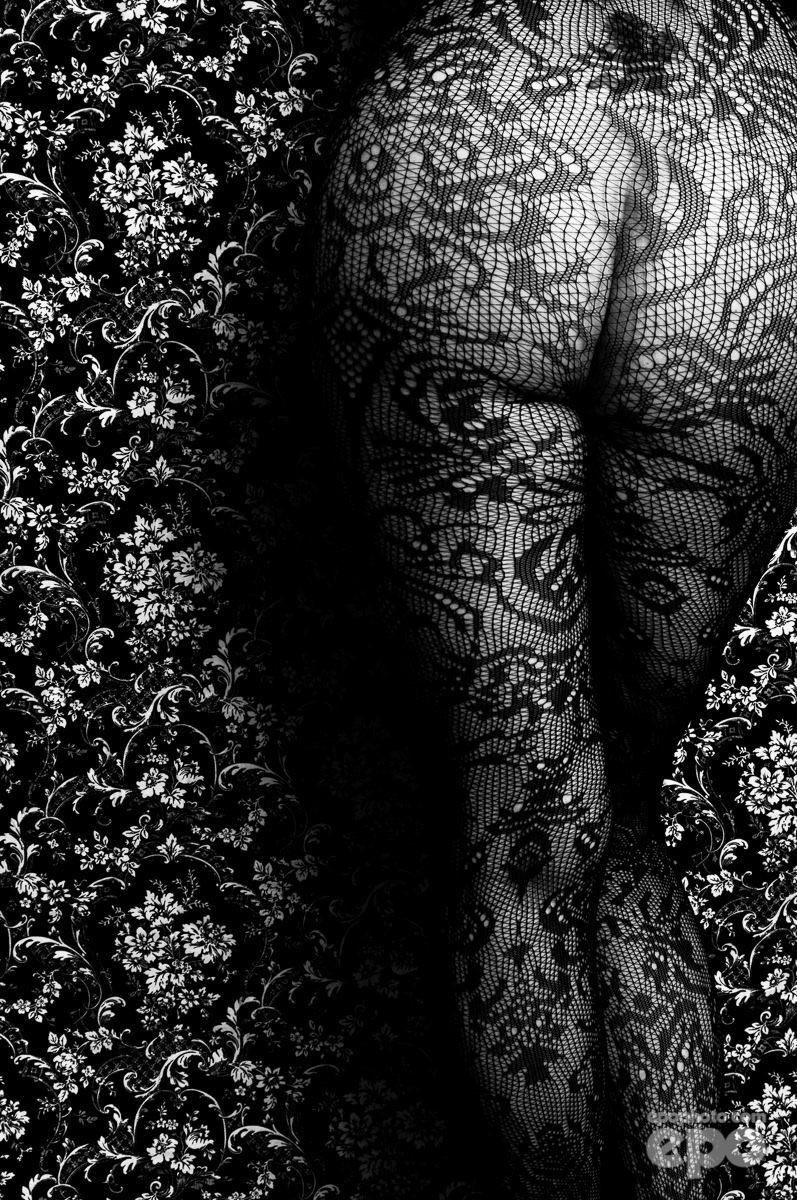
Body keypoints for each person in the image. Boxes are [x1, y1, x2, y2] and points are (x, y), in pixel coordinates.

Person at [309, 0, 797, 1194]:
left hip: (478, 128)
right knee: (629, 816)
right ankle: (697, 1181)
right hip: (740, 147)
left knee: (526, 830)